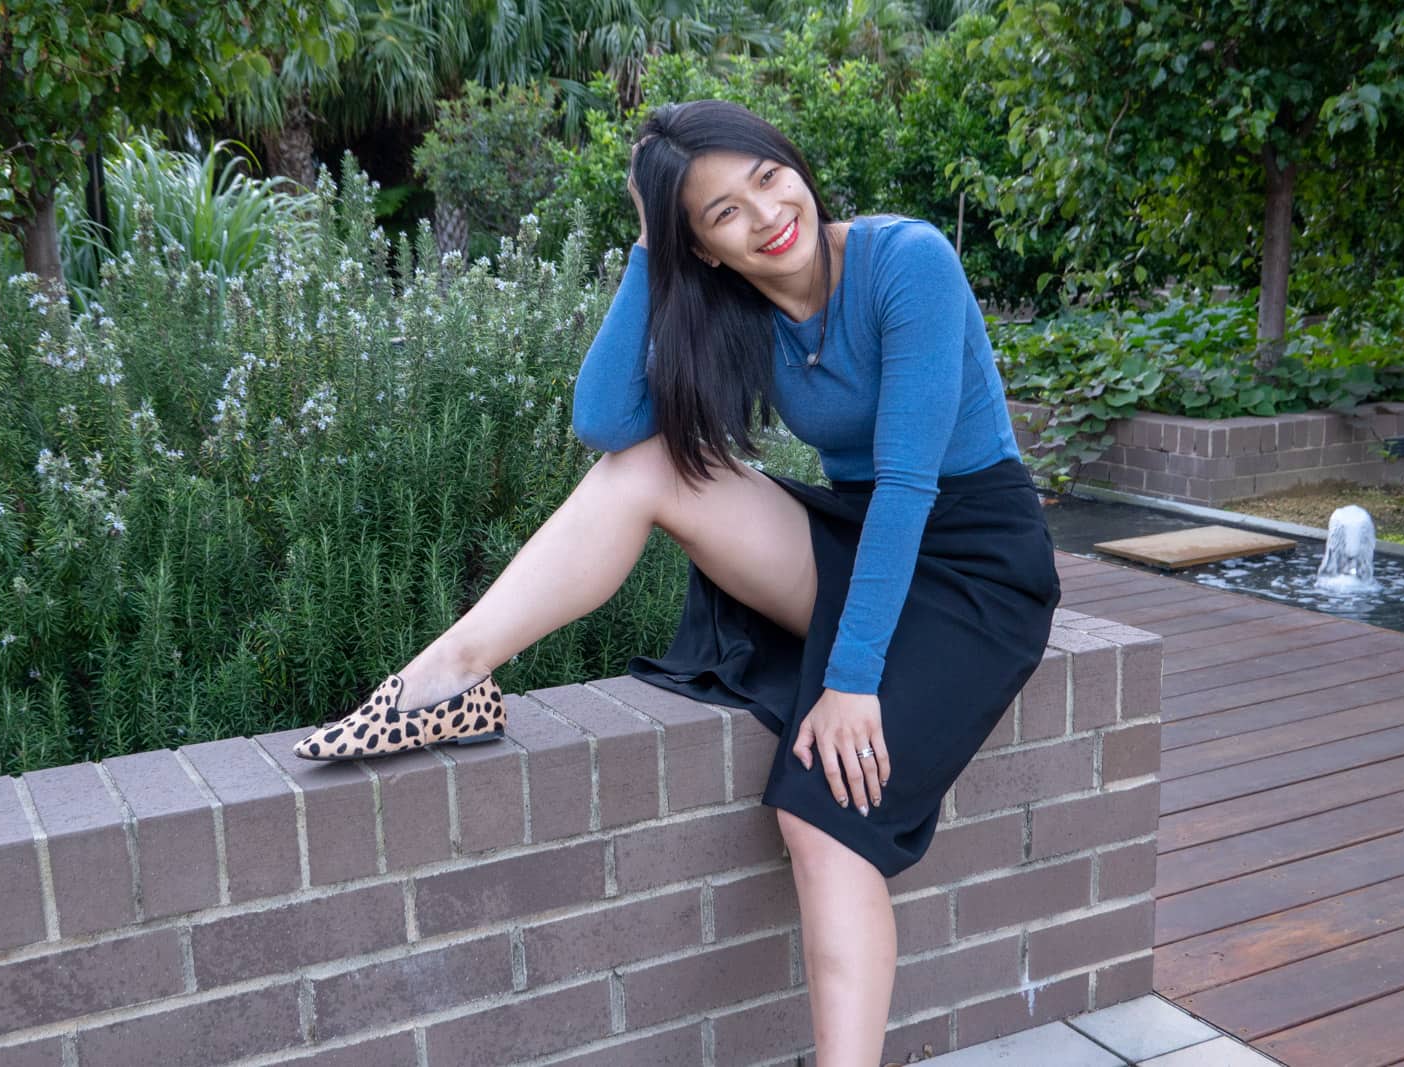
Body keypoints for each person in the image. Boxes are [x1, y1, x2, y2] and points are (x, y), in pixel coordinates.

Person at [294, 98, 1060, 1065]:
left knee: (823, 810)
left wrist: (853, 678)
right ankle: (448, 678)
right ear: (701, 246)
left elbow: (911, 481)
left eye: (768, 177)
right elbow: (609, 422)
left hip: (976, 562)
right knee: (647, 469)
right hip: (865, 536)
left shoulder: (905, 261)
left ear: (792, 161)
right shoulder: (735, 305)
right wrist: (649, 248)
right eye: (721, 213)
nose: (766, 214)